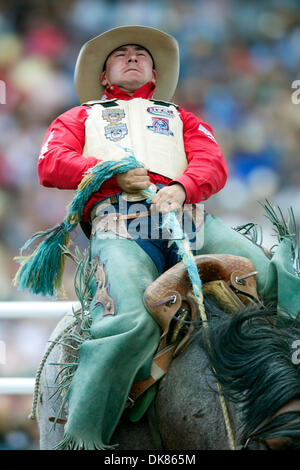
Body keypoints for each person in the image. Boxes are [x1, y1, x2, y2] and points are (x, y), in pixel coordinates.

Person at [33, 25, 299, 449]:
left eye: (141, 53)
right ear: (105, 75)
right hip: (120, 226)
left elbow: (212, 164)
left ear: (154, 71)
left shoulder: (182, 119)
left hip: (191, 220)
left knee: (271, 279)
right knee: (131, 322)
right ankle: (81, 437)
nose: (133, 57)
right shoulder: (80, 116)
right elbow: (51, 163)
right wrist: (109, 172)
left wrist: (181, 188)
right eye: (122, 54)